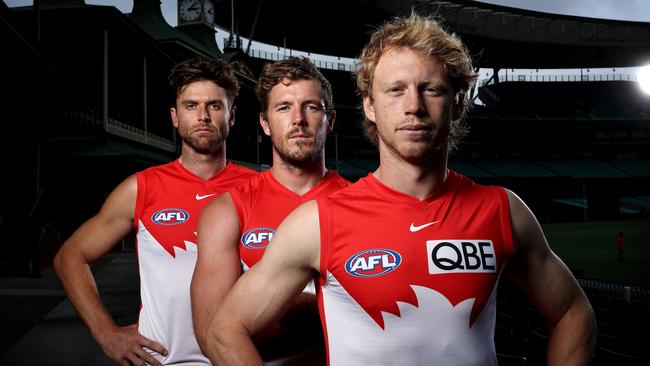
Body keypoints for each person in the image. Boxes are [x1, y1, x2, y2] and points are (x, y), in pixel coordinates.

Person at [207, 14, 597, 366]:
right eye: (395, 90)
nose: (413, 106)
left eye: (432, 89)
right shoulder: (318, 221)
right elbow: (226, 330)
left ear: (458, 103)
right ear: (370, 106)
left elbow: (573, 312)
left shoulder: (502, 210)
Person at [54, 56, 257, 366]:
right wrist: (105, 333)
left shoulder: (259, 188)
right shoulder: (143, 187)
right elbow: (70, 256)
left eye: (215, 106)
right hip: (162, 360)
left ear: (232, 116)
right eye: (191, 106)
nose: (202, 116)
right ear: (175, 117)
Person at [192, 56, 349, 364]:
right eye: (283, 107)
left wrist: (259, 311)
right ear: (265, 123)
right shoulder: (227, 210)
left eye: (311, 107)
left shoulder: (360, 203)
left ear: (329, 120)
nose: (298, 120)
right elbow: (215, 334)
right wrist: (329, 311)